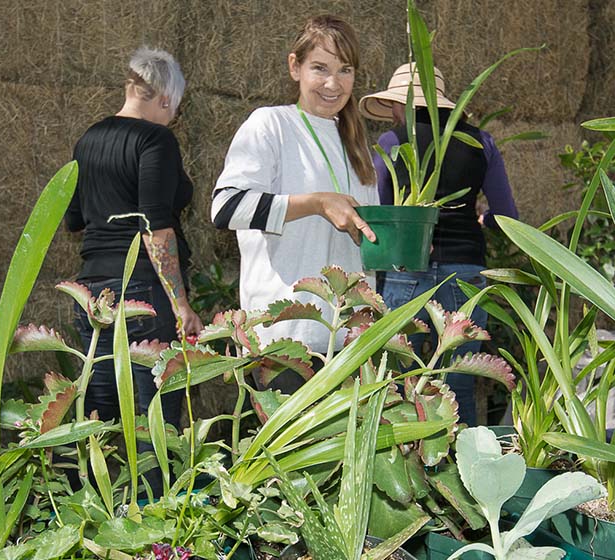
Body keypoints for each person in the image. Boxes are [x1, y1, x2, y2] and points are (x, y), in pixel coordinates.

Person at [210, 15, 378, 392]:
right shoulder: (270, 125)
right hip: (286, 341)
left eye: (345, 70)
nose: (333, 84)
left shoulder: (356, 146)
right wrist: (317, 203)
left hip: (348, 343)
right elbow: (226, 207)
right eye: (320, 68)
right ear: (294, 67)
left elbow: (364, 241)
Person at [358, 63, 518, 426]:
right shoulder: (481, 142)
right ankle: (464, 473)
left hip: (404, 270)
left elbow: (381, 213)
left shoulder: (391, 143)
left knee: (396, 381)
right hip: (466, 271)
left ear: (399, 105)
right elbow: (507, 215)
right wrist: (482, 220)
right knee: (458, 384)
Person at [65, 47, 202, 429]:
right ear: (164, 98)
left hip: (91, 294)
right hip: (143, 293)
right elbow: (154, 227)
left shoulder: (88, 140)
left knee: (100, 416)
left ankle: (97, 489)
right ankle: (156, 492)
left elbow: (74, 218)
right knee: (154, 417)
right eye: (174, 108)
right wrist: (181, 304)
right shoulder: (156, 140)